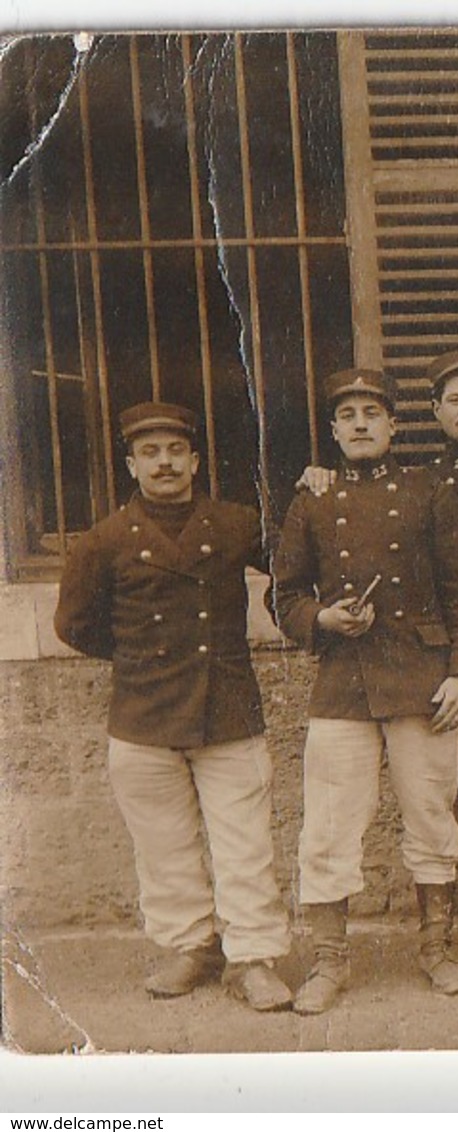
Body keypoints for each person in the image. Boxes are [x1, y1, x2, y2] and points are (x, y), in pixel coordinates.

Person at [296, 350, 458, 968]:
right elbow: (290, 579)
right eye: (454, 400)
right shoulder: (424, 482)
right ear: (434, 412)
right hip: (443, 666)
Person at [54, 401, 293, 1011]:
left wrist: (318, 487)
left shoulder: (238, 523)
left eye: (175, 451)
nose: (164, 463)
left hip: (228, 710)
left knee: (244, 843)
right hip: (143, 716)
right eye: (150, 454)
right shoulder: (102, 542)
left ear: (194, 460)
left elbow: (297, 565)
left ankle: (253, 957)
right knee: (163, 846)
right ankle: (191, 947)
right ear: (132, 465)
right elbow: (75, 626)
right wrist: (143, 659)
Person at [272, 367, 458, 1013]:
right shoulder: (312, 500)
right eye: (349, 414)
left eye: (373, 412)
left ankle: (436, 950)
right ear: (334, 431)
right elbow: (283, 596)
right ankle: (330, 962)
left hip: (424, 681)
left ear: (393, 425)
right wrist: (321, 620)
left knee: (430, 815)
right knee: (330, 825)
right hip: (343, 684)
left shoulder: (428, 491)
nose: (361, 423)